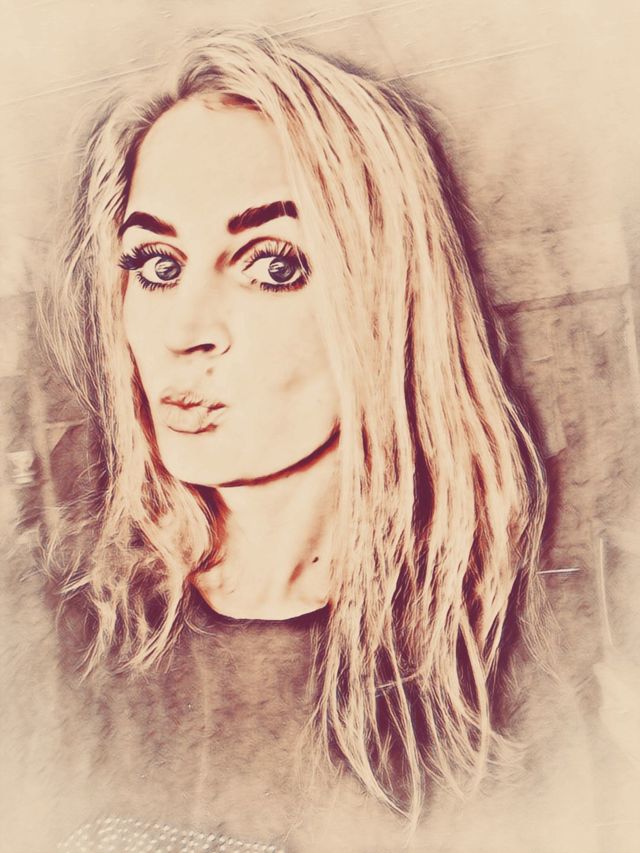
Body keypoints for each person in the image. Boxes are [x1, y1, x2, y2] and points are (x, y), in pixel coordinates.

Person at [36, 27, 567, 853]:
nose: (185, 330)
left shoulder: (531, 658)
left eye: (273, 265)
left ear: (391, 297)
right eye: (157, 265)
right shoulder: (59, 636)